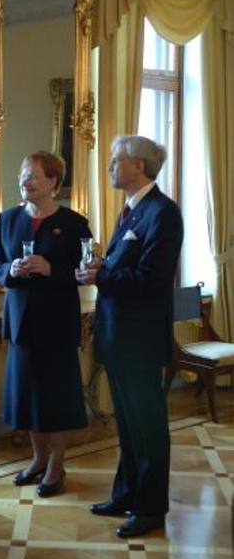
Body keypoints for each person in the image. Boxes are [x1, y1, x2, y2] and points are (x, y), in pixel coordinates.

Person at [77, 134, 183, 538]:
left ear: (139, 165)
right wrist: (102, 267)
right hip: (118, 335)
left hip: (139, 339)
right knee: (128, 423)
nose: (109, 166)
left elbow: (151, 280)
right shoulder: (132, 211)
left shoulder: (163, 213)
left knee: (148, 425)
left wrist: (101, 274)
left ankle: (151, 508)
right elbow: (129, 267)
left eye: (115, 159)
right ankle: (126, 494)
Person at [0, 151, 91, 497]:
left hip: (58, 323)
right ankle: (37, 458)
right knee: (28, 395)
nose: (25, 181)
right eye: (23, 174)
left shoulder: (75, 224)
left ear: (53, 182)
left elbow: (84, 273)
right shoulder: (7, 219)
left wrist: (51, 269)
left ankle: (57, 465)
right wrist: (10, 272)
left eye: (33, 175)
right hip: (21, 323)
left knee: (58, 397)